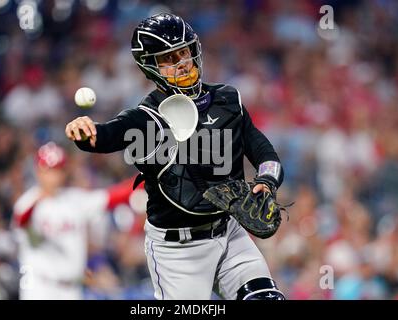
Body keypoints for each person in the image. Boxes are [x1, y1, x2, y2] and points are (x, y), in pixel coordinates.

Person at [65, 13, 285, 300]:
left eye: (184, 52)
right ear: (150, 67)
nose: (182, 64)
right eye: (169, 59)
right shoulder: (146, 118)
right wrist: (86, 133)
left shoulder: (228, 101)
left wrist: (267, 180)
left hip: (229, 233)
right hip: (178, 253)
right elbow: (107, 135)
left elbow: (264, 151)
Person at [12, 141, 136, 300]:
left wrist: (149, 175)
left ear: (64, 172)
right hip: (39, 286)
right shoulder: (27, 204)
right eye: (48, 170)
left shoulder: (75, 200)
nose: (53, 176)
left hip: (71, 289)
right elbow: (23, 225)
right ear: (38, 171)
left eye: (57, 170)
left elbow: (114, 196)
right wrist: (38, 200)